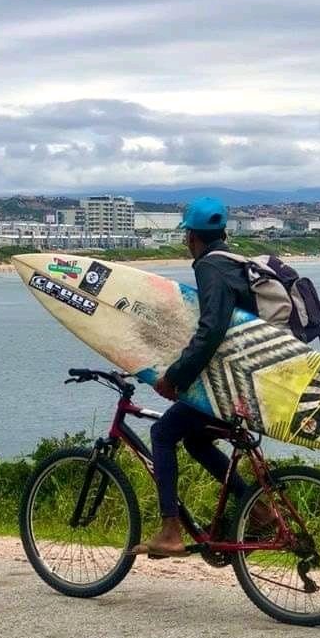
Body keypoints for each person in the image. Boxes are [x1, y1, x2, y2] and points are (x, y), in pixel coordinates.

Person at [132, 196, 257, 557]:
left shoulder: (210, 267)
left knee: (163, 432)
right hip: (246, 380)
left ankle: (170, 530)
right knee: (195, 441)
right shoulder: (235, 262)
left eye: (187, 234)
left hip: (233, 383)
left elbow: (211, 330)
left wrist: (175, 376)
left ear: (191, 236)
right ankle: (258, 508)